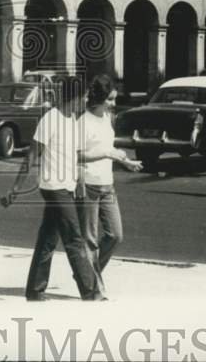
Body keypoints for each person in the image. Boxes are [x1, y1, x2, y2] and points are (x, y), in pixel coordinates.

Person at [2, 79, 104, 301]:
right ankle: (91, 292)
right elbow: (31, 155)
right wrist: (16, 188)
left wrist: (78, 183)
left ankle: (35, 290)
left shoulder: (72, 120)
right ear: (74, 98)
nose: (86, 101)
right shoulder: (50, 119)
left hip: (65, 186)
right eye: (84, 97)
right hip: (53, 187)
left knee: (48, 238)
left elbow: (72, 156)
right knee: (74, 238)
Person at [77, 75, 140, 296]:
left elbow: (109, 148)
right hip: (88, 185)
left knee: (115, 235)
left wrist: (126, 161)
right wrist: (105, 153)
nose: (113, 104)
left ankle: (87, 274)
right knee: (91, 240)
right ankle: (93, 288)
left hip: (107, 184)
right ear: (99, 99)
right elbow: (77, 156)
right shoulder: (83, 122)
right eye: (110, 99)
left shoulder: (106, 119)